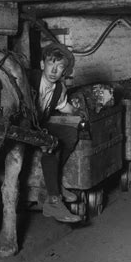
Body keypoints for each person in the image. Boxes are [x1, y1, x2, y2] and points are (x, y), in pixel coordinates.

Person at [30, 42, 82, 223]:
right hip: (22, 126)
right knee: (51, 143)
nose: (54, 70)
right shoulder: (30, 80)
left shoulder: (58, 88)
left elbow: (63, 106)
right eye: (51, 64)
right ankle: (53, 201)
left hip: (40, 125)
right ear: (42, 64)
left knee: (70, 134)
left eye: (59, 67)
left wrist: (79, 111)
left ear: (63, 71)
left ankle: (55, 183)